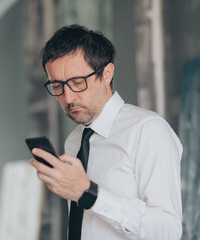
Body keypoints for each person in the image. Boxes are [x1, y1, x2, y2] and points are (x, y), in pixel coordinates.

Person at [29, 24, 182, 240]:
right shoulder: (73, 142)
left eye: (77, 82)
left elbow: (168, 232)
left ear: (107, 74)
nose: (68, 97)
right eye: (57, 86)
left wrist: (88, 193)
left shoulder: (148, 130)